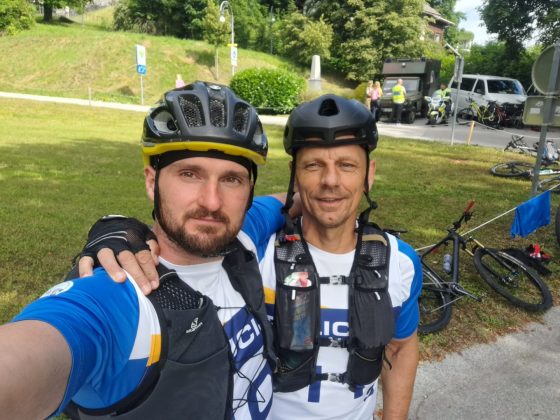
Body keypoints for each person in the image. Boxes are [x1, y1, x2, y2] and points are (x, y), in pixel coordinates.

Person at [77, 95, 422, 419]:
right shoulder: (250, 248)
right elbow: (193, 228)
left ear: (369, 174)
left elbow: (400, 347)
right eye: (313, 165)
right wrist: (122, 231)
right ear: (295, 175)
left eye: (347, 165)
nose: (330, 181)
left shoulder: (401, 262)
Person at [0, 82, 284, 419]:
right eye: (189, 174)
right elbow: (33, 351)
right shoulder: (120, 293)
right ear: (152, 181)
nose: (212, 202)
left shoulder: (244, 234)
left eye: (232, 179)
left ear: (249, 191)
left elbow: (297, 201)